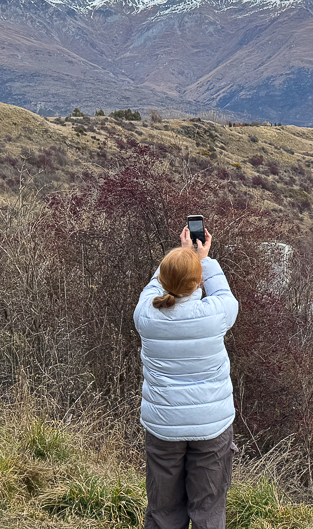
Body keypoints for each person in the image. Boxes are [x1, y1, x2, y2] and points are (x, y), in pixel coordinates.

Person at [134, 226, 239, 529]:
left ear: (164, 280)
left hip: (164, 427)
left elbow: (155, 286)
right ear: (198, 281)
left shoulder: (146, 316)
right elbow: (224, 294)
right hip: (211, 426)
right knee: (208, 511)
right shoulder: (214, 314)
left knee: (163, 511)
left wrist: (179, 256)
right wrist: (202, 258)